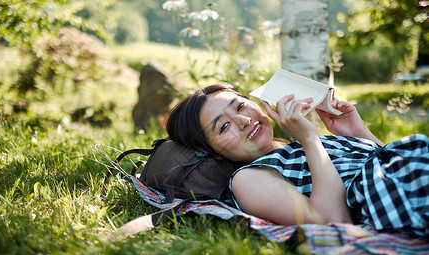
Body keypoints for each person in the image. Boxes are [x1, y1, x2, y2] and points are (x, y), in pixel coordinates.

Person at [166, 83, 429, 238]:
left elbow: (388, 163)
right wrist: (310, 138)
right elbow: (332, 222)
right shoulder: (248, 178)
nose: (244, 121)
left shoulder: (293, 148)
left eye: (240, 106)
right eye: (223, 127)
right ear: (211, 150)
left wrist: (358, 133)